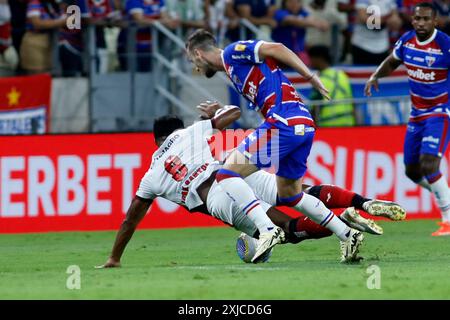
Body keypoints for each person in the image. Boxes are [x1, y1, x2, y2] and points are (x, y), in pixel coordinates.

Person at [96, 108, 404, 268]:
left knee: (289, 230)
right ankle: (361, 202)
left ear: (155, 139)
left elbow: (130, 220)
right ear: (176, 130)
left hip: (217, 195)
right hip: (231, 172)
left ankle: (346, 219)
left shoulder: (150, 175)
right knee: (296, 192)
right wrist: (213, 114)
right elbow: (231, 114)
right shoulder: (189, 132)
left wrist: (114, 257)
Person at [185, 29, 372, 263]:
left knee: (226, 175)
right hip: (301, 123)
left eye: (193, 61)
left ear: (199, 54)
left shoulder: (233, 52)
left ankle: (267, 229)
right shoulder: (234, 70)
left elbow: (277, 48)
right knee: (290, 194)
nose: (196, 68)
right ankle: (348, 234)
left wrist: (309, 76)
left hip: (283, 120)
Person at [364, 2, 450, 236]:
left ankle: (448, 219)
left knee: (429, 162)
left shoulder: (445, 45)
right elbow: (393, 61)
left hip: (440, 112)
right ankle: (444, 195)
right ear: (412, 20)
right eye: (417, 18)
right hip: (416, 115)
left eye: (426, 19)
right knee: (412, 171)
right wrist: (374, 76)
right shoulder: (406, 41)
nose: (421, 23)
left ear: (436, 22)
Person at [308, 45, 355, 127]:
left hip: (329, 126)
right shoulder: (342, 74)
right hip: (349, 124)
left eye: (311, 58)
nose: (309, 62)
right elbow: (352, 101)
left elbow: (315, 108)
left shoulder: (318, 81)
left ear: (319, 58)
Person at [272, 0, 329, 66]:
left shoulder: (303, 13)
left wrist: (320, 23)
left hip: (299, 54)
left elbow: (314, 21)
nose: (294, 4)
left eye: (297, 2)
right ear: (285, 3)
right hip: (281, 55)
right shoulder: (280, 13)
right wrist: (316, 24)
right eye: (291, 2)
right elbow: (291, 20)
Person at [20, 0, 67, 74]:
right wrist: (61, 22)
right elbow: (37, 23)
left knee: (47, 74)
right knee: (36, 75)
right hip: (35, 40)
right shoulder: (34, 3)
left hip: (49, 41)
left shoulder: (51, 4)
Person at [351, 0, 402, 65]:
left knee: (380, 74)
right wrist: (386, 19)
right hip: (362, 45)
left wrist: (394, 20)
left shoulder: (390, 1)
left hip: (382, 46)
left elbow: (396, 21)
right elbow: (363, 18)